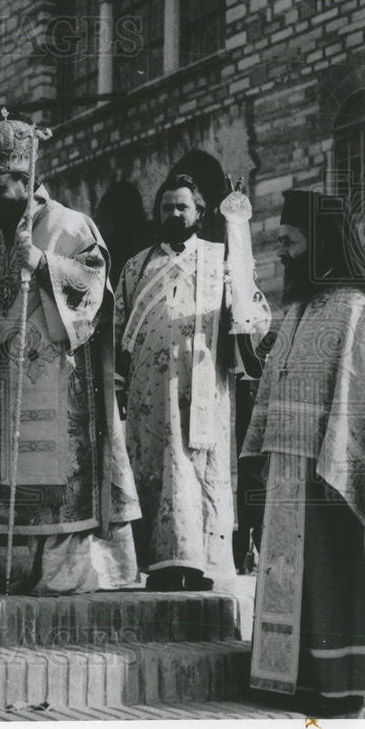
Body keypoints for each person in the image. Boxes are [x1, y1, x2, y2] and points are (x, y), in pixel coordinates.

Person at [0, 117, 142, 594]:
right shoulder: (3, 237)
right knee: (14, 476)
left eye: (2, 188)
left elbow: (95, 286)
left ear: (27, 180)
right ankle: (15, 569)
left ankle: (62, 573)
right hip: (13, 375)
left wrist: (43, 263)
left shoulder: (71, 223)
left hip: (61, 376)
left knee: (59, 474)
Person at [240, 190, 365, 715]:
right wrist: (256, 458)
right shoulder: (293, 311)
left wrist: (335, 461)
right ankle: (286, 678)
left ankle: (337, 685)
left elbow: (355, 396)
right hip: (283, 470)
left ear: (319, 245)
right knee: (284, 578)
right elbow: (270, 387)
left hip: (322, 472)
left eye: (291, 242)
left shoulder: (355, 309)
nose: (282, 253)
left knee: (326, 578)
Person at [115, 173, 270, 591]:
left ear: (200, 213)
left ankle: (200, 563)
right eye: (167, 207)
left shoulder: (222, 259)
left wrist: (240, 292)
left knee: (196, 472)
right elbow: (117, 327)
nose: (174, 213)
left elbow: (252, 315)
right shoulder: (136, 265)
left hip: (202, 389)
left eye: (182, 206)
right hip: (149, 393)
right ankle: (160, 564)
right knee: (156, 471)